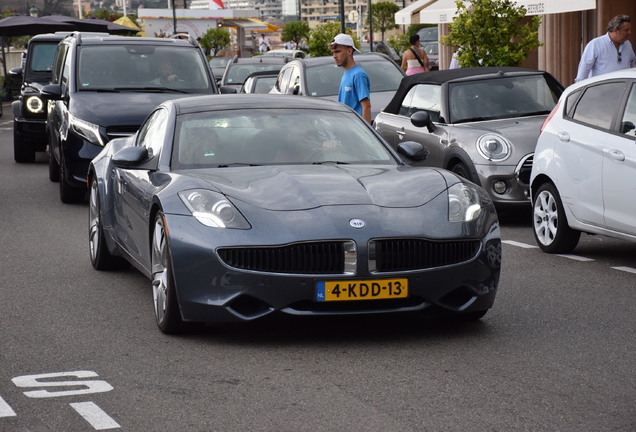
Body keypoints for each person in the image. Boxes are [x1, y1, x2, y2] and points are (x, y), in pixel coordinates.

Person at [575, 14, 636, 83]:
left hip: (624, 90)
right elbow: (584, 70)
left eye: (629, 30)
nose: (629, 32)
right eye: (626, 30)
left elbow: (632, 64)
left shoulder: (627, 44)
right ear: (615, 30)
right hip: (602, 91)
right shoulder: (595, 44)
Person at [329, 34, 372, 124]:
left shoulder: (358, 75)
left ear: (349, 51)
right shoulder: (346, 74)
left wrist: (366, 135)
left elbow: (366, 106)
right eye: (333, 52)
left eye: (337, 52)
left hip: (356, 131)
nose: (334, 56)